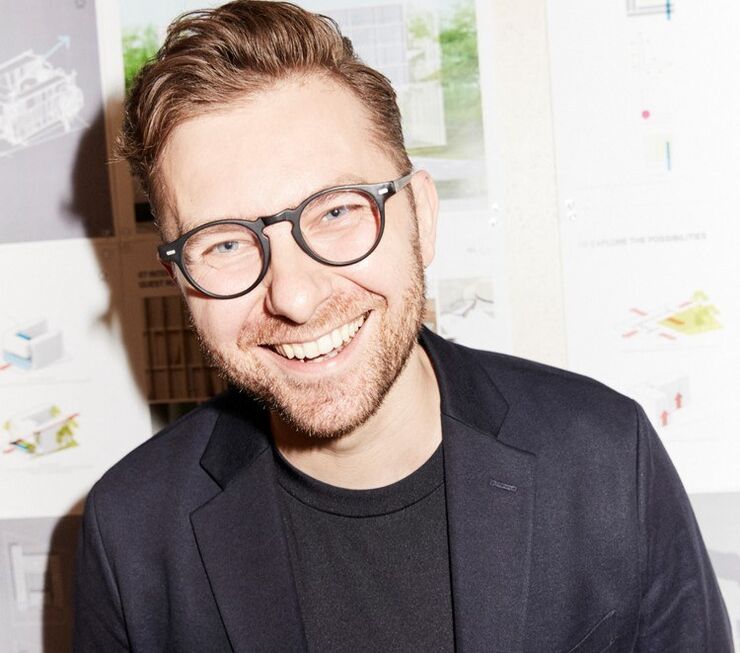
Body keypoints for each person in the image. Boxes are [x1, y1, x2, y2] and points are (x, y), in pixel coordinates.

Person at [74, 2, 733, 651]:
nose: (295, 297)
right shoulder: (131, 532)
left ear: (421, 214)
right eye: (224, 244)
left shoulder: (605, 456)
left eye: (335, 211)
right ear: (180, 279)